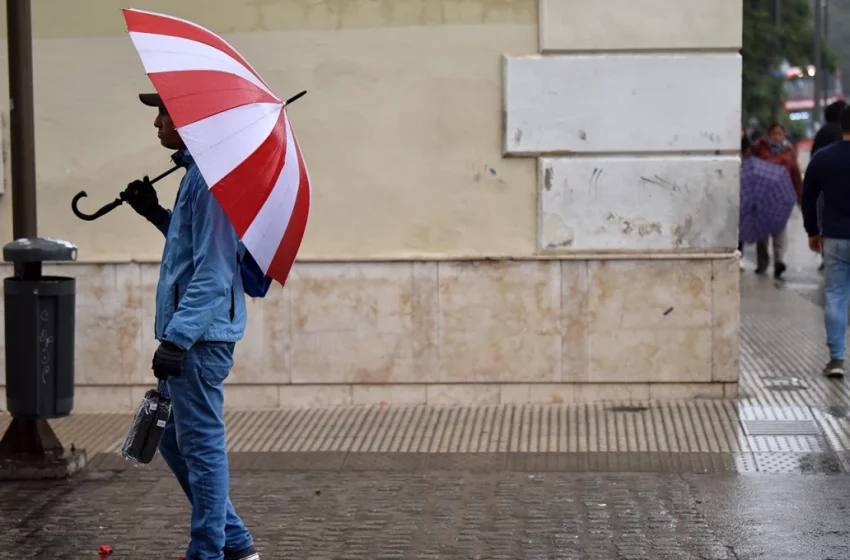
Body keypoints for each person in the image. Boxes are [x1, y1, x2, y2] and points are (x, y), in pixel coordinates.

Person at [120, 93, 259, 560]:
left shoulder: (212, 183)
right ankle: (235, 541)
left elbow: (216, 271)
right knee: (174, 443)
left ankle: (208, 552)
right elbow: (191, 251)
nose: (156, 123)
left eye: (164, 113)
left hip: (199, 339)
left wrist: (177, 338)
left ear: (192, 121)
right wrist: (155, 213)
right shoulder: (196, 176)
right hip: (189, 335)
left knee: (199, 447)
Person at [801, 104, 850, 379]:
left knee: (836, 296)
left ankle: (837, 359)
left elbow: (808, 197)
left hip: (834, 237)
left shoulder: (823, 157)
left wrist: (812, 231)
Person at [751, 123, 802, 278]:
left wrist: (800, 195)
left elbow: (795, 174)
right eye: (774, 133)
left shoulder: (789, 151)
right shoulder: (759, 148)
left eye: (780, 134)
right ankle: (762, 263)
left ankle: (779, 262)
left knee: (779, 231)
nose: (777, 137)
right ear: (769, 134)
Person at [811, 100, 847, 271]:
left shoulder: (822, 133)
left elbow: (813, 159)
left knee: (824, 216)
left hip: (826, 186)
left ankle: (827, 256)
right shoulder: (842, 133)